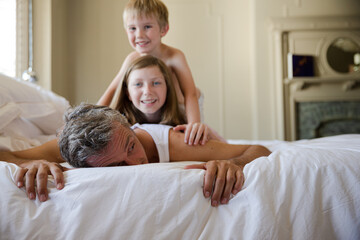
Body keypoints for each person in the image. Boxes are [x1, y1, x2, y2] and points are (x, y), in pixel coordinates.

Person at [0, 104, 271, 207]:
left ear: (129, 127)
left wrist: (232, 163)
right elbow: (7, 154)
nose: (137, 163)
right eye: (117, 165)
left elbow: (259, 150)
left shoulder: (173, 143)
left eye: (131, 146)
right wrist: (36, 162)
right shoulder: (74, 147)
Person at [97, 0, 205, 142]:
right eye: (132, 28)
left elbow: (189, 93)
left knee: (198, 124)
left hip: (180, 109)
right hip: (151, 109)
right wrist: (91, 118)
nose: (139, 35)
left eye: (147, 27)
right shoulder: (132, 59)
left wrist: (194, 124)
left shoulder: (175, 57)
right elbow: (111, 91)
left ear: (163, 29)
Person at [109, 54, 224, 145]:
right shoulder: (118, 125)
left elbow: (225, 148)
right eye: (138, 84)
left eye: (156, 83)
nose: (147, 91)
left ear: (167, 89)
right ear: (128, 93)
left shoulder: (184, 121)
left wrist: (202, 132)